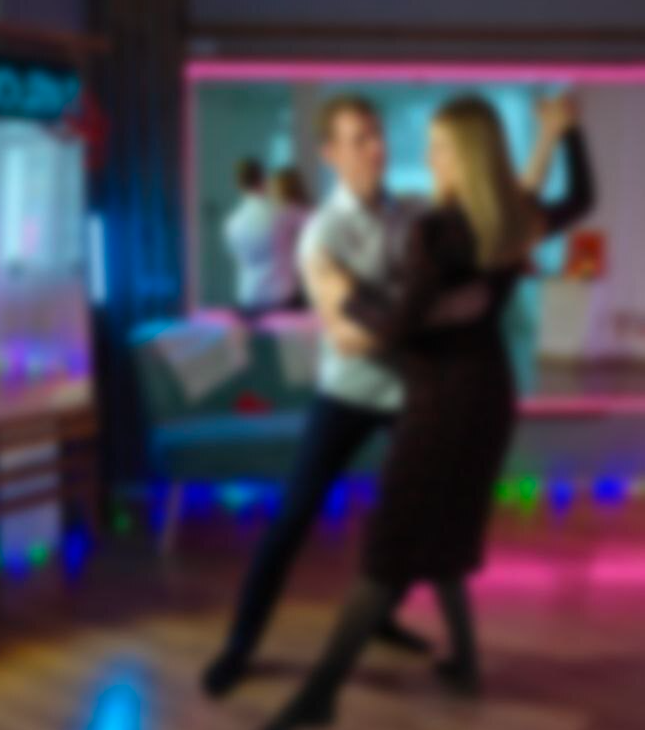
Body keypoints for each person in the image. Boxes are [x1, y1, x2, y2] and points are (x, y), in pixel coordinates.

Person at [250, 95, 594, 730]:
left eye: (437, 147)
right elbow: (581, 197)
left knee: (387, 550)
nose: (426, 158)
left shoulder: (438, 230)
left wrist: (340, 290)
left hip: (441, 402)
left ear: (462, 156)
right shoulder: (510, 217)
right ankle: (464, 662)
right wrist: (569, 132)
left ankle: (320, 694)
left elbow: (397, 329)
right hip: (489, 396)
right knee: (446, 533)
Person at [203, 95, 506, 699]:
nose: (377, 148)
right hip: (346, 393)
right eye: (361, 138)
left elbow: (480, 255)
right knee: (292, 518)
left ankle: (386, 619)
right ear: (330, 153)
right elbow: (345, 335)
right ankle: (239, 646)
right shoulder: (321, 232)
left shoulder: (417, 214)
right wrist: (436, 314)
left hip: (411, 394)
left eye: (379, 135)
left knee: (423, 519)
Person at [223, 158, 301, 318]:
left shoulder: (232, 223)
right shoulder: (283, 212)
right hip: (281, 298)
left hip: (249, 298)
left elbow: (237, 257)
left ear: (239, 185)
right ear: (264, 180)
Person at [268, 167, 312, 311]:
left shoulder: (285, 216)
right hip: (296, 285)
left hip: (289, 286)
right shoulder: (304, 213)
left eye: (273, 187)